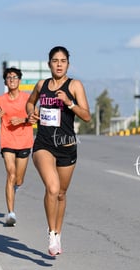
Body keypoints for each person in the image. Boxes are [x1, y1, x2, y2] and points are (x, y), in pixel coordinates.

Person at [26, 46, 91, 256]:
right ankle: (51, 233)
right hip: (44, 144)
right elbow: (29, 103)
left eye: (63, 61)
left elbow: (87, 116)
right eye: (55, 60)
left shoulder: (75, 85)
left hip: (67, 145)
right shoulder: (41, 85)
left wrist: (69, 103)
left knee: (61, 194)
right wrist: (31, 113)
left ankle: (58, 233)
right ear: (49, 64)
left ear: (68, 64)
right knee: (52, 188)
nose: (59, 64)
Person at [0, 67, 34, 226]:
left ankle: (15, 188)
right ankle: (11, 213)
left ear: (20, 80)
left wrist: (22, 121)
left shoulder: (28, 98)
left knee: (19, 179)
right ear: (5, 82)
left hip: (25, 141)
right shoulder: (0, 100)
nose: (12, 79)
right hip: (7, 142)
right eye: (8, 77)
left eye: (14, 77)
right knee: (11, 174)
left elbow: (36, 118)